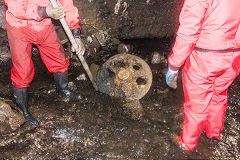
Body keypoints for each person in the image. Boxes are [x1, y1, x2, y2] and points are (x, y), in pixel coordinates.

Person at [166, 0, 240, 151]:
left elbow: (188, 32)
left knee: (197, 105)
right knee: (218, 95)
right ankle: (213, 134)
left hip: (205, 57)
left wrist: (174, 65)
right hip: (234, 56)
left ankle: (187, 144)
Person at [4, 0, 85, 125]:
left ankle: (62, 90)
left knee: (58, 58)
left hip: (43, 25)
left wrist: (76, 34)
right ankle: (23, 111)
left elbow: (66, 5)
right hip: (19, 26)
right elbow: (15, 6)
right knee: (23, 70)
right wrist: (44, 11)